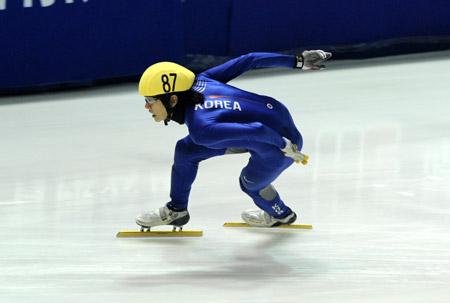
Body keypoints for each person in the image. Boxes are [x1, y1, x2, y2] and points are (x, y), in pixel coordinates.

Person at [136, 50, 331, 229]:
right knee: (186, 150)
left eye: (151, 100)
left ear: (173, 100)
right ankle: (177, 210)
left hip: (277, 144)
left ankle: (282, 215)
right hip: (273, 115)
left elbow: (259, 130)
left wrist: (284, 145)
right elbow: (250, 59)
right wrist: (298, 61)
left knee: (250, 184)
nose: (146, 106)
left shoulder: (202, 128)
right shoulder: (202, 81)